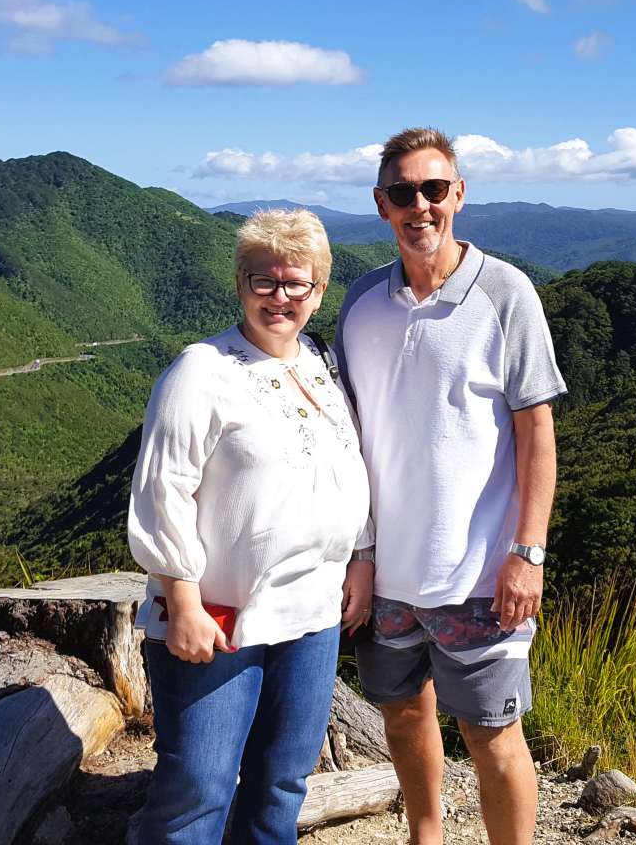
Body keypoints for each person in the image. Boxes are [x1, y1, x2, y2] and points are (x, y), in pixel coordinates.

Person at [335, 128, 565, 845]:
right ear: (381, 204)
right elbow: (353, 439)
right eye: (403, 192)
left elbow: (536, 431)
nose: (421, 205)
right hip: (387, 577)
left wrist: (529, 552)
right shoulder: (361, 301)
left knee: (492, 733)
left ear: (458, 195)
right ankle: (424, 837)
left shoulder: (505, 293)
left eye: (435, 189)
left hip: (480, 572)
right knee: (403, 716)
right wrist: (361, 556)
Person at [127, 208, 374, 845]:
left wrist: (361, 558)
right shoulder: (200, 372)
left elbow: (350, 463)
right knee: (197, 788)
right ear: (240, 284)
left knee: (283, 781)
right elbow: (163, 488)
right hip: (219, 613)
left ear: (320, 292)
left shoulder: (321, 362)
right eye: (263, 282)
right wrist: (180, 599)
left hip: (313, 610)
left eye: (297, 284)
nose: (280, 298)